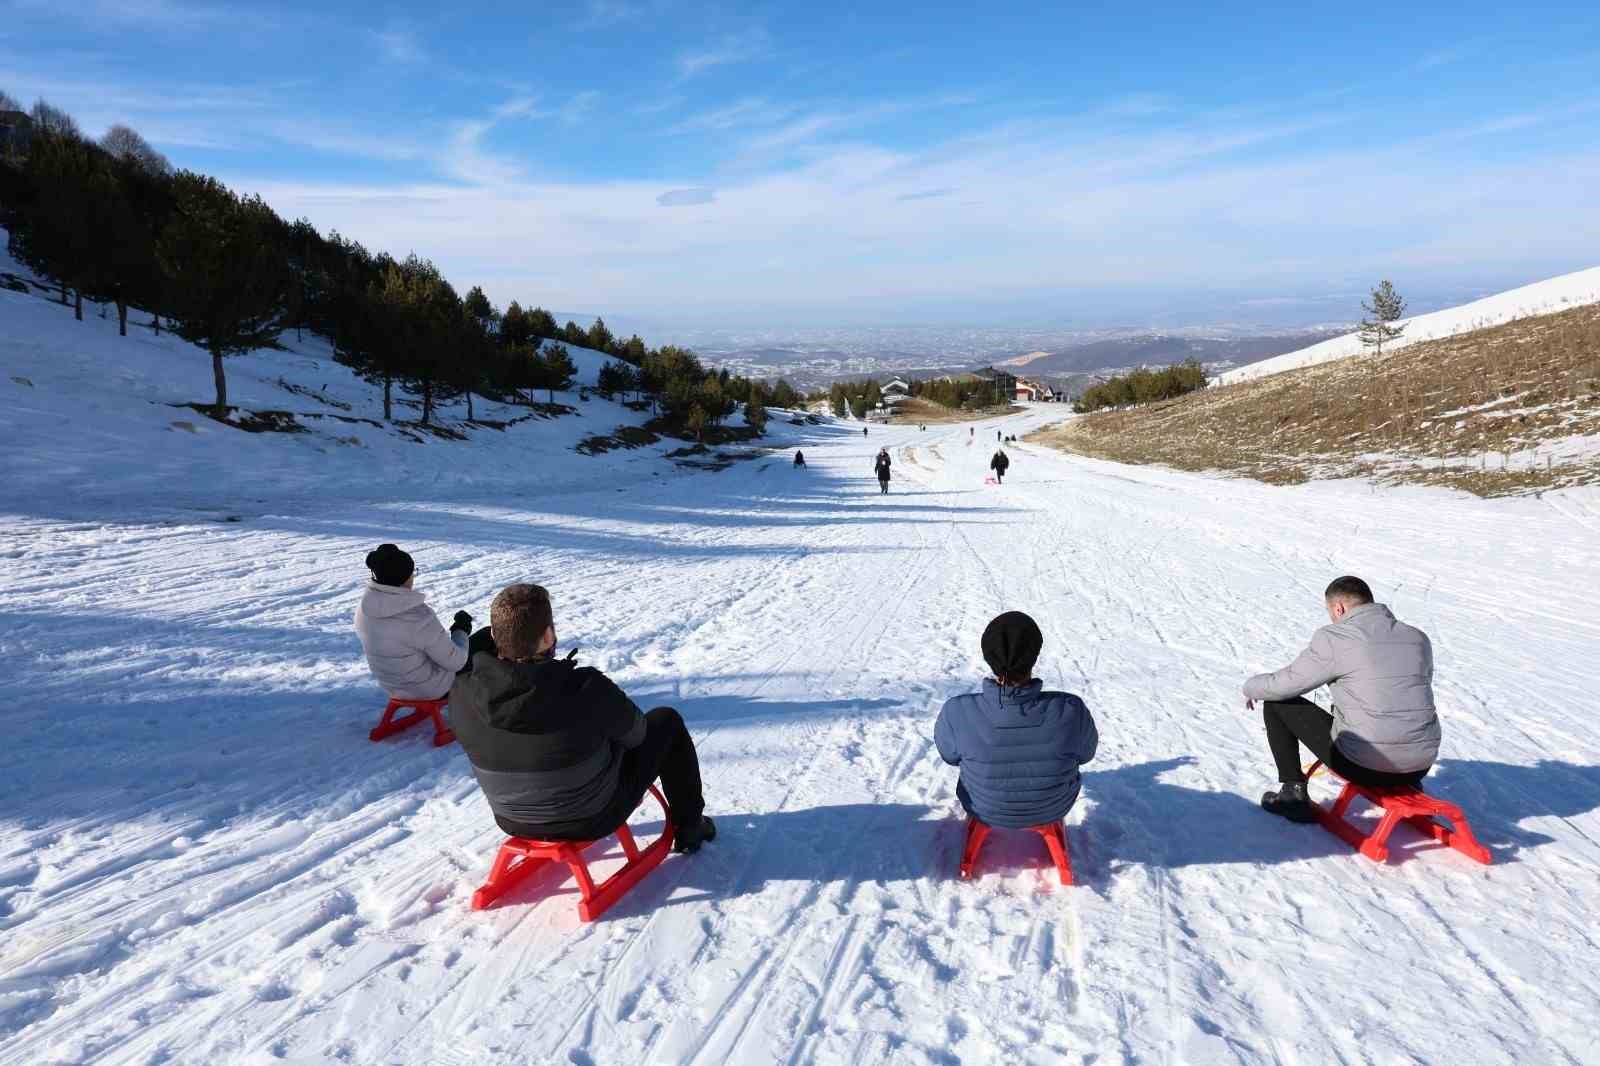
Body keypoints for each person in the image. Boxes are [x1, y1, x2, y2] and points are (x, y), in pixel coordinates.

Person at [451, 584, 716, 852]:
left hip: (511, 820)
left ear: (494, 636)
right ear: (547, 636)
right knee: (666, 722)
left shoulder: (462, 691)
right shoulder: (585, 687)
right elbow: (637, 735)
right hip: (591, 819)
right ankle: (690, 827)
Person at [1244, 576, 1441, 823]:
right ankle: (1406, 777)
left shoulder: (1337, 637)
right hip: (1420, 765)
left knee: (1277, 703)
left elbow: (1284, 686)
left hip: (1366, 766)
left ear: (1339, 608)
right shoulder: (1417, 637)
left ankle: (1293, 795)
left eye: (1331, 613)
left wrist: (1251, 687)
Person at [936, 612, 1099, 829]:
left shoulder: (956, 711)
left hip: (982, 809)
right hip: (1053, 808)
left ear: (988, 655)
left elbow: (949, 756)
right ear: (1034, 655)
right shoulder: (1071, 708)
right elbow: (1086, 755)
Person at [354, 543, 471, 701]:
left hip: (393, 687)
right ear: (404, 578)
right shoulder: (417, 617)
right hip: (430, 689)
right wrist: (461, 630)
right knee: (484, 644)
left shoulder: (364, 609)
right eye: (412, 573)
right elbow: (456, 663)